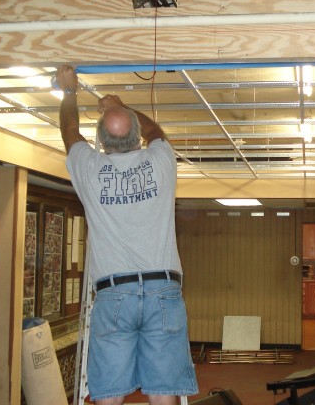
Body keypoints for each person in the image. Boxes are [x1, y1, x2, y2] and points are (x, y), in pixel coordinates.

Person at [55, 65, 198, 405]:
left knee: (110, 392)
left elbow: (70, 132)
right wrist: (121, 106)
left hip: (114, 293)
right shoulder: (161, 161)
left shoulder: (89, 169)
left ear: (100, 143)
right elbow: (157, 131)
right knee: (164, 392)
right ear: (137, 136)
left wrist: (69, 90)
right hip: (163, 289)